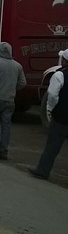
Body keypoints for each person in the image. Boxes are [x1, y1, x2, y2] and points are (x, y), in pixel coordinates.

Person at [29, 49, 68, 180]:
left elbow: (52, 95)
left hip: (61, 116)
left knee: (53, 145)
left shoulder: (59, 75)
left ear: (65, 61)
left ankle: (42, 170)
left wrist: (51, 109)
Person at [0, 42, 26, 160]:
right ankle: (3, 151)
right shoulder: (17, 65)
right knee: (6, 125)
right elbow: (23, 83)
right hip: (10, 99)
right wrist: (12, 89)